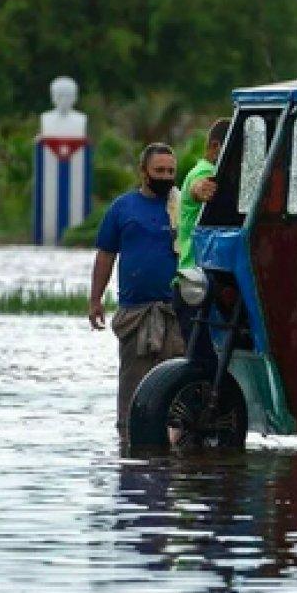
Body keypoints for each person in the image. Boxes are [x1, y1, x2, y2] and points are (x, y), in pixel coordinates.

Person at [89, 142, 186, 435]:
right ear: (144, 172)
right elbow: (106, 256)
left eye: (170, 171)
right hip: (136, 315)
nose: (166, 176)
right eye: (159, 171)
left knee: (176, 389)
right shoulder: (122, 208)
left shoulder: (184, 207)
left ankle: (175, 449)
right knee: (133, 387)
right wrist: (95, 300)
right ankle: (130, 441)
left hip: (177, 313)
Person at [173, 118, 227, 364]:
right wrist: (202, 189)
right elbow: (199, 188)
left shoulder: (205, 170)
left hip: (197, 282)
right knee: (205, 365)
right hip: (197, 284)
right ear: (216, 147)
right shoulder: (206, 173)